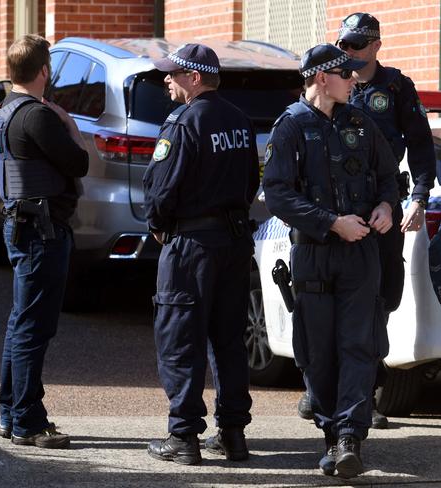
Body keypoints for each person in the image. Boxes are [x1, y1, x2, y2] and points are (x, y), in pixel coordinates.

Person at [263, 44, 398, 478]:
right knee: (317, 351)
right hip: (315, 253)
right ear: (322, 78)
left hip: (360, 255)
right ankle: (330, 433)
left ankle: (349, 439)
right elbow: (278, 193)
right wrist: (330, 223)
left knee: (359, 346)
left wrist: (386, 207)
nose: (355, 79)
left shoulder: (361, 122)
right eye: (347, 73)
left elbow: (388, 176)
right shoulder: (290, 127)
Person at [298, 11, 437, 429]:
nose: (349, 53)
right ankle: (323, 391)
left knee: (381, 298)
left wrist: (417, 197)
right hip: (332, 208)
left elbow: (420, 145)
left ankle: (364, 390)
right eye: (344, 45)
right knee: (322, 299)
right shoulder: (330, 81)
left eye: (357, 45)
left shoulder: (395, 87)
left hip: (380, 204)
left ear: (376, 45)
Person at [143, 43, 259, 466]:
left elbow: (160, 188)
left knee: (180, 338)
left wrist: (158, 224)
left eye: (173, 74)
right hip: (233, 243)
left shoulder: (183, 121)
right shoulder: (240, 120)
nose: (167, 81)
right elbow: (250, 184)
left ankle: (184, 436)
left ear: (195, 78)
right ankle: (233, 434)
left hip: (191, 248)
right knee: (228, 339)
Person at [0, 34, 89, 449]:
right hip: (41, 230)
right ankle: (28, 420)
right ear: (45, 71)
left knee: (21, 323)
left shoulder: (6, 110)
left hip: (24, 224)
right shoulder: (39, 116)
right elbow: (79, 162)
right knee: (33, 327)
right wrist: (69, 124)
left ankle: (10, 412)